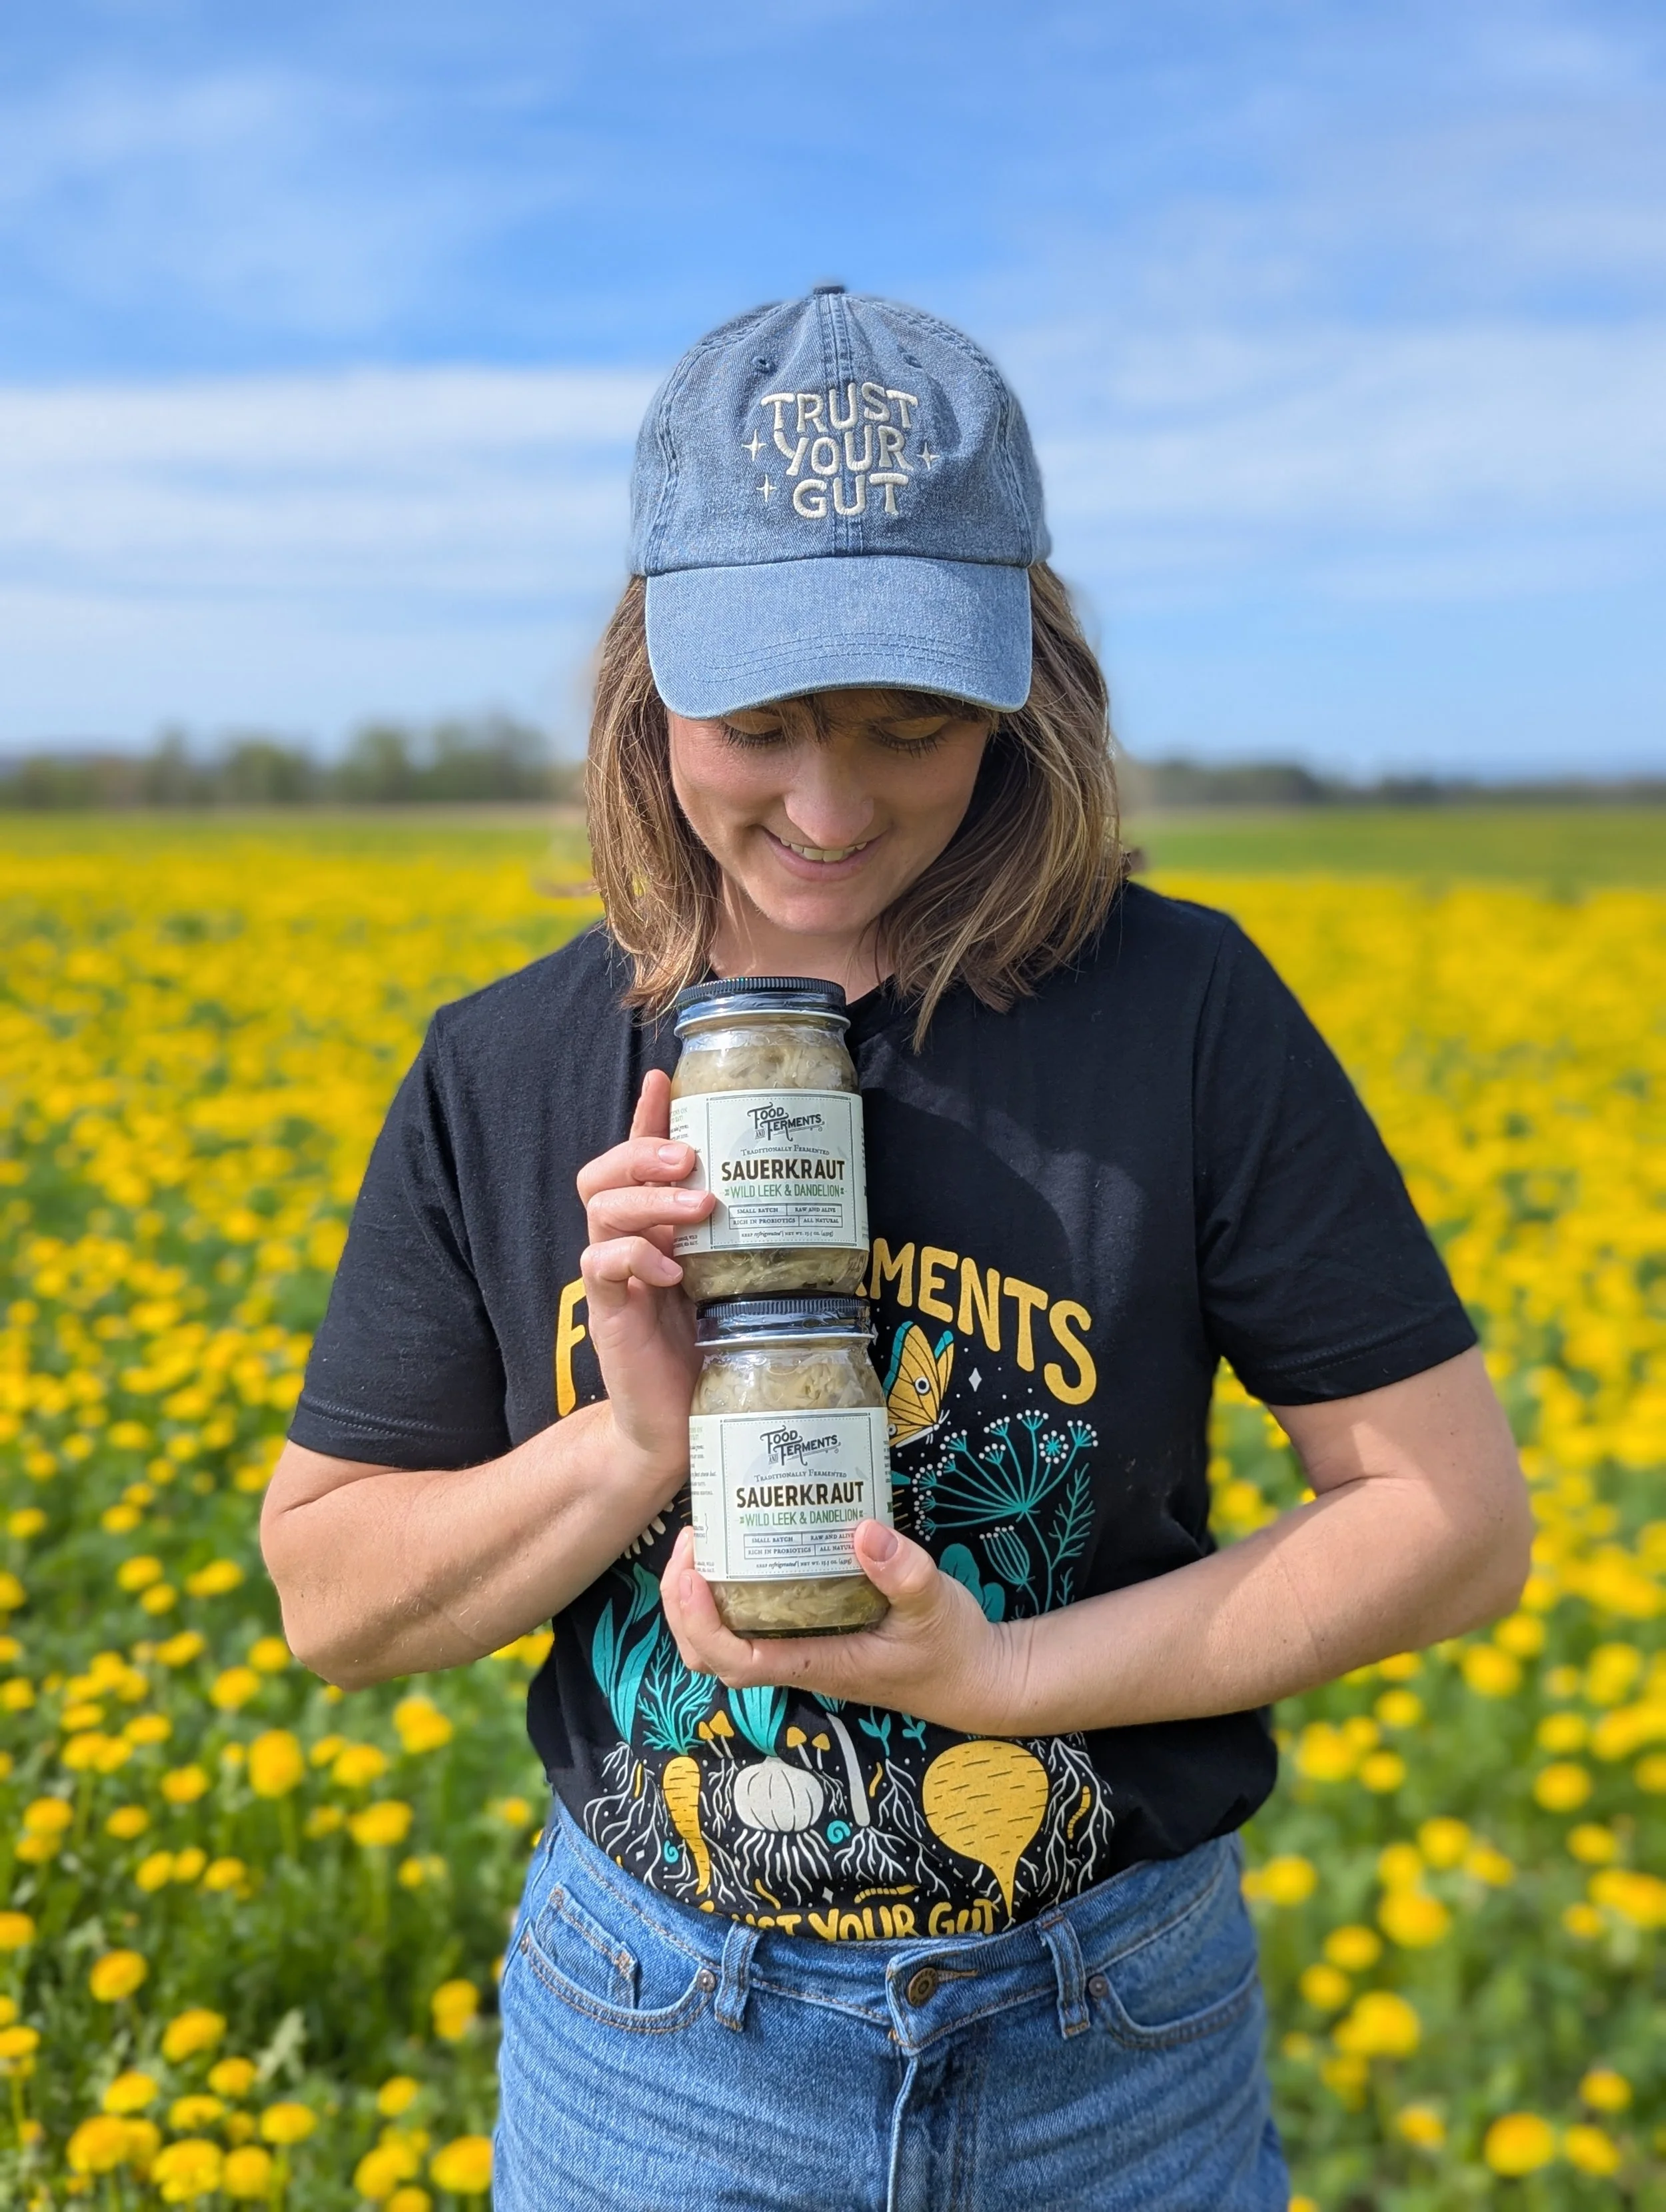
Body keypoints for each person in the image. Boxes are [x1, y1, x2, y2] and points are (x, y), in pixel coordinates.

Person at [263, 286, 1532, 2211]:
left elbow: (1446, 1524)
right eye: (758, 724)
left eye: (912, 723)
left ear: (1028, 684)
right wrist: (631, 1435)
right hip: (660, 2047)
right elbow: (333, 1602)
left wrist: (999, 1681)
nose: (827, 807)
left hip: (1111, 2039)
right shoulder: (510, 1064)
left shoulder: (1181, 1012)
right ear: (642, 678)